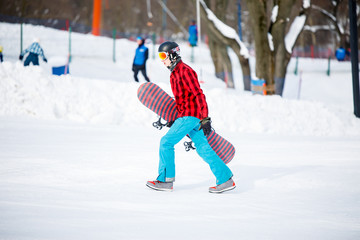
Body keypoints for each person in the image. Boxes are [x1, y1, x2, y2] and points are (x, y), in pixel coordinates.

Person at [146, 41, 235, 193]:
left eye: (163, 55)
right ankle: (225, 179)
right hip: (187, 116)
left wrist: (205, 118)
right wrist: (175, 120)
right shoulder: (175, 72)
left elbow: (198, 94)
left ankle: (165, 181)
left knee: (166, 142)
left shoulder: (185, 71)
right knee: (203, 148)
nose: (162, 59)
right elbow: (183, 98)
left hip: (190, 116)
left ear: (173, 54)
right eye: (160, 56)